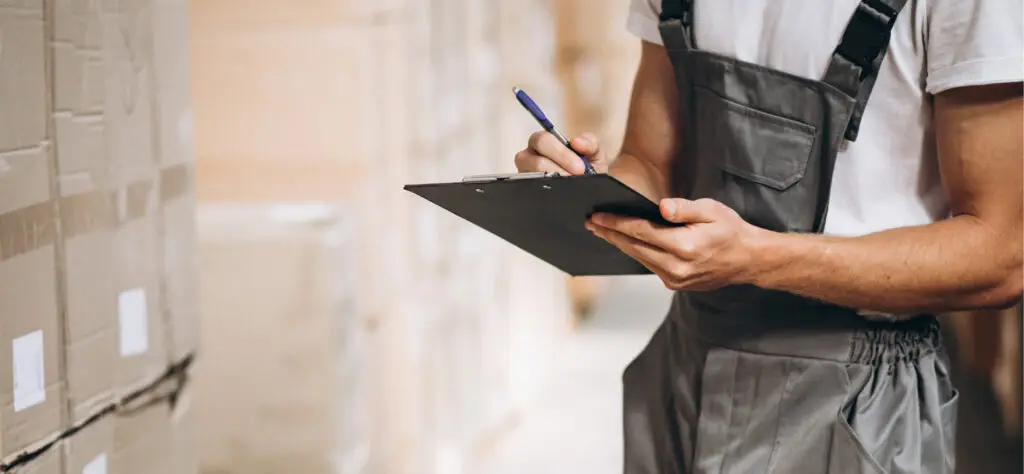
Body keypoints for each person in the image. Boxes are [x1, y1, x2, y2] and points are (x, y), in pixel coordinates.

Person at [514, 0, 1022, 472]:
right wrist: (587, 187)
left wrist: (754, 258)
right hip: (686, 368)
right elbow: (650, 163)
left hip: (856, 397)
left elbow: (1001, 256)